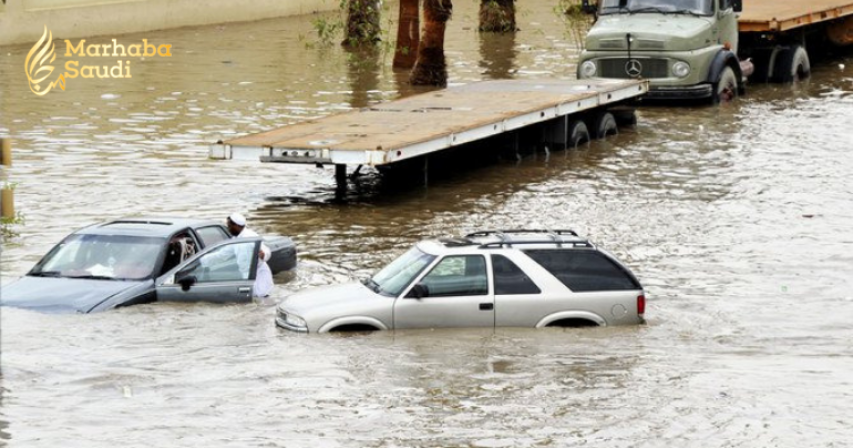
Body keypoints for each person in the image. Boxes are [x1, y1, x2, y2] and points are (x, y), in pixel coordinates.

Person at [227, 213, 273, 299]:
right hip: (247, 278)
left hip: (259, 277)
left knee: (264, 303)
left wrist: (263, 255)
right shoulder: (235, 239)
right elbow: (223, 253)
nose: (228, 229)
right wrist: (202, 260)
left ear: (236, 226)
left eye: (229, 226)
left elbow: (267, 251)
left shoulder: (250, 236)